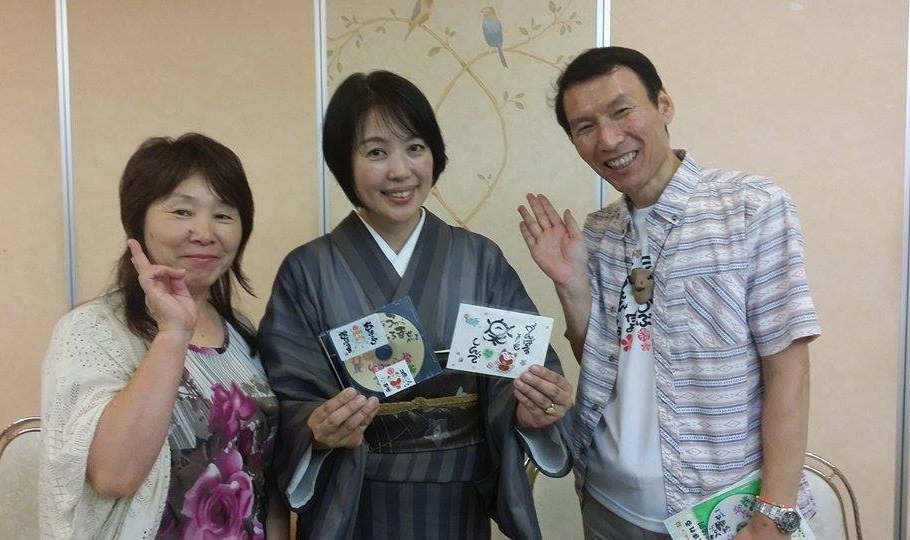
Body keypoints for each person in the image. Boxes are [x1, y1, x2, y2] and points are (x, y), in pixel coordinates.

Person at [518, 47, 820, 539]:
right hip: (606, 504)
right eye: (585, 126)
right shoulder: (598, 233)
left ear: (664, 106)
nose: (608, 139)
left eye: (622, 111)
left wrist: (773, 516)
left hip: (720, 513)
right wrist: (571, 285)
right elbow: (603, 360)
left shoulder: (751, 208)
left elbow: (790, 371)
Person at [259, 70, 572, 539]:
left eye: (415, 147)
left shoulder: (479, 259)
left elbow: (523, 369)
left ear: (434, 155)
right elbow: (287, 396)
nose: (400, 170)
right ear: (344, 161)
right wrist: (317, 430)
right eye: (376, 152)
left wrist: (529, 408)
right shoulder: (308, 270)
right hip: (355, 506)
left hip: (458, 504)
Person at [39, 133, 287, 538]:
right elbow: (112, 476)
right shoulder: (91, 332)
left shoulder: (243, 334)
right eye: (182, 211)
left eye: (224, 215)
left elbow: (266, 481)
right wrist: (173, 333)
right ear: (138, 220)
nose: (204, 232)